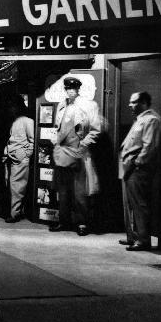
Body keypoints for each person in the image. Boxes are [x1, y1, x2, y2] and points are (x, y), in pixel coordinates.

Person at [50, 76, 101, 235]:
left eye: (74, 88)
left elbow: (95, 130)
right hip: (62, 152)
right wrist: (54, 140)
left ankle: (82, 223)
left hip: (78, 152)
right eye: (68, 88)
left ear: (79, 89)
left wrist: (82, 146)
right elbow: (57, 128)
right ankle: (63, 221)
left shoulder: (89, 105)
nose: (71, 90)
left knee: (79, 192)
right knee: (63, 191)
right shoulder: (61, 105)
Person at [118, 91, 161, 251]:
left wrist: (138, 163)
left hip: (138, 170)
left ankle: (143, 239)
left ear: (143, 103)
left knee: (139, 204)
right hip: (129, 168)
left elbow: (150, 146)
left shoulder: (151, 120)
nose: (130, 105)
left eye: (133, 102)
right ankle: (133, 236)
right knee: (130, 204)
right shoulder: (140, 119)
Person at [2, 95, 34, 223]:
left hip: (19, 159)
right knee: (11, 185)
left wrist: (25, 154)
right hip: (11, 157)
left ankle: (15, 213)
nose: (10, 109)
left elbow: (32, 140)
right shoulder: (15, 121)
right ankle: (17, 211)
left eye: (12, 106)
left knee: (17, 187)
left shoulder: (27, 121)